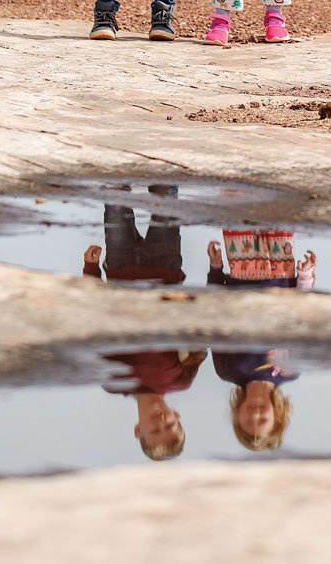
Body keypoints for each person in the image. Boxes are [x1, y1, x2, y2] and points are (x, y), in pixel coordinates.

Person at [83, 189, 206, 461]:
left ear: (138, 430)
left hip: (120, 269)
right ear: (178, 416)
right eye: (170, 425)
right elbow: (196, 333)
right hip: (165, 271)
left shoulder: (115, 382)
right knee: (165, 201)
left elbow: (96, 325)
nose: (161, 420)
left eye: (154, 429)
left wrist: (91, 271)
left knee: (115, 203)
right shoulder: (181, 380)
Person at [207, 231, 316, 451]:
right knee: (277, 214)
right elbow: (301, 318)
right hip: (280, 272)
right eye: (263, 421)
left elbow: (217, 318)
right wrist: (305, 276)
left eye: (248, 422)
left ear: (238, 417)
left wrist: (216, 269)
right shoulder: (291, 372)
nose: (255, 415)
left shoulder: (227, 371)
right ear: (277, 418)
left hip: (242, 271)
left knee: (241, 207)